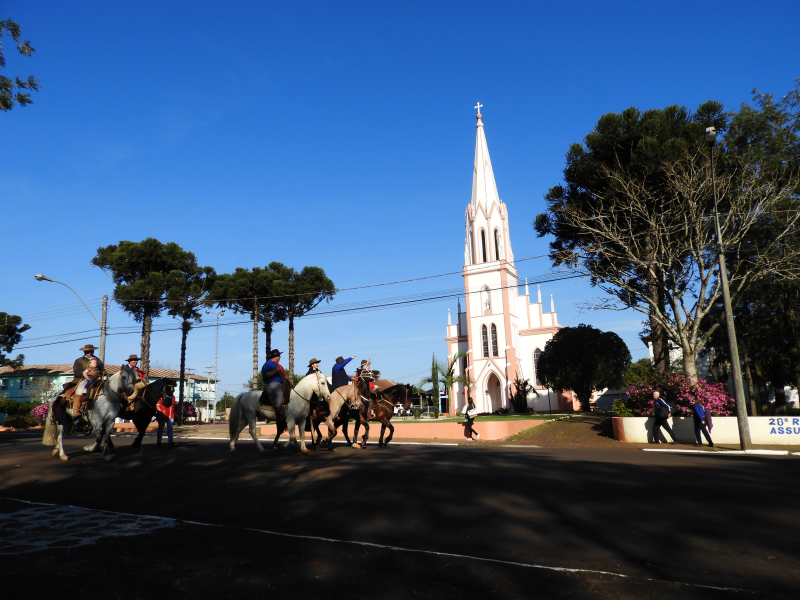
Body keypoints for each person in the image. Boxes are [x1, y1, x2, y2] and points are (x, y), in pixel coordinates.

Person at [65, 344, 104, 416]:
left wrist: (103, 373)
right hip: (84, 379)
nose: (90, 353)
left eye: (91, 351)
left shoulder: (98, 360)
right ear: (84, 352)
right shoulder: (79, 361)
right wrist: (89, 374)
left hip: (97, 379)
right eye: (88, 351)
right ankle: (76, 410)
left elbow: (102, 370)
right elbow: (77, 372)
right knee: (80, 391)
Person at [261, 349, 287, 420]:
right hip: (271, 384)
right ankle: (278, 413)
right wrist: (275, 371)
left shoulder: (276, 364)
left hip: (279, 383)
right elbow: (265, 375)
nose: (279, 357)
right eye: (279, 356)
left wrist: (285, 377)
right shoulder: (268, 364)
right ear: (275, 356)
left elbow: (279, 375)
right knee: (279, 393)